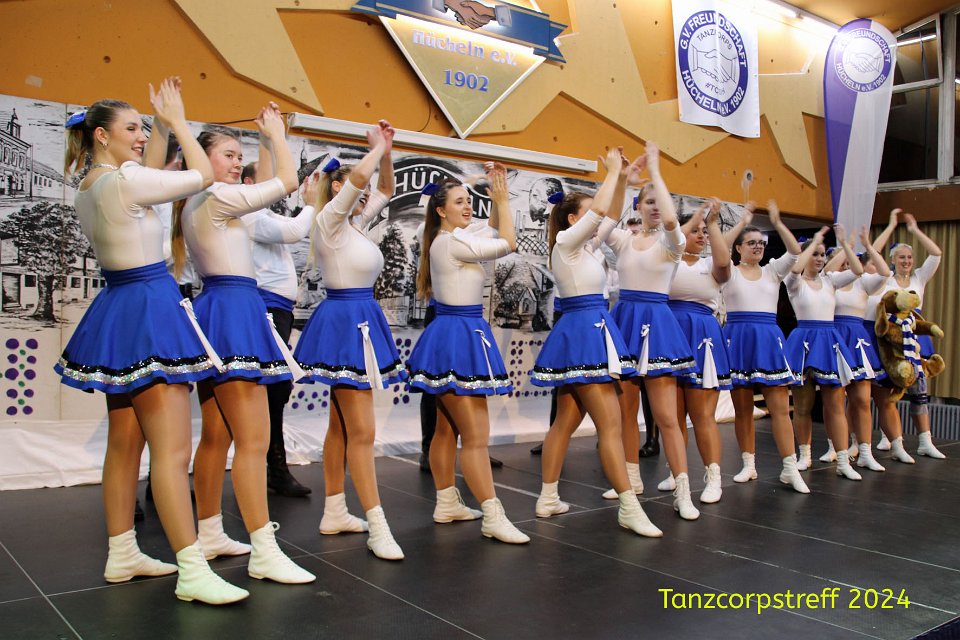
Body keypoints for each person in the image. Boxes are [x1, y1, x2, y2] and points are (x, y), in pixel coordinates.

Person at [56, 79, 248, 604]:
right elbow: (202, 174)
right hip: (149, 307)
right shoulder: (125, 181)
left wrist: (160, 125)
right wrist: (180, 122)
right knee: (171, 450)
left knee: (125, 443)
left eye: (143, 128)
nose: (140, 137)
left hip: (121, 304)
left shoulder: (91, 184)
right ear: (102, 135)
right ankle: (192, 569)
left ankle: (122, 552)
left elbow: (151, 166)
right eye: (132, 128)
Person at [174, 103, 315, 584]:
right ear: (203, 158)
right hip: (233, 312)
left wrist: (265, 141)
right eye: (229, 155)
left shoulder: (204, 199)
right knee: (253, 440)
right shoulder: (215, 197)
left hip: (224, 309)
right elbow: (286, 182)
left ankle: (210, 531)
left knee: (218, 436)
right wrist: (277, 135)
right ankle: (264, 549)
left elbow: (268, 185)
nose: (237, 163)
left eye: (240, 156)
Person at [530, 147, 661, 537]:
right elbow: (602, 210)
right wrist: (612, 171)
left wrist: (620, 179)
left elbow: (611, 212)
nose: (596, 219)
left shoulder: (583, 248)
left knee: (565, 423)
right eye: (587, 214)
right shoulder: (565, 243)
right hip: (584, 334)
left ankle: (547, 497)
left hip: (590, 331)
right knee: (611, 425)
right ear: (573, 219)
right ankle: (628, 506)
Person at [293, 121, 406, 560]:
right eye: (353, 189)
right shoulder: (330, 220)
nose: (363, 195)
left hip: (360, 318)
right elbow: (361, 179)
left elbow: (385, 187)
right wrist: (374, 149)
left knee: (341, 425)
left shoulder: (355, 223)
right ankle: (378, 524)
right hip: (345, 323)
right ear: (336, 188)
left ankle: (335, 510)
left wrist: (387, 151)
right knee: (362, 430)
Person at [406, 166, 529, 544]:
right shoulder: (450, 243)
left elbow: (492, 231)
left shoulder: (453, 238)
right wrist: (504, 201)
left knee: (446, 429)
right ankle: (493, 515)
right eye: (459, 202)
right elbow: (508, 242)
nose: (467, 206)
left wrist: (496, 199)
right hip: (458, 335)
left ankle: (446, 503)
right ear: (441, 210)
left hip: (458, 332)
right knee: (475, 437)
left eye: (468, 201)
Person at [599, 143, 699, 520]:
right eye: (649, 201)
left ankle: (683, 490)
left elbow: (672, 222)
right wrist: (622, 180)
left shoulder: (672, 243)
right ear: (638, 207)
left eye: (660, 201)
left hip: (658, 325)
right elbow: (607, 219)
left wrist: (656, 171)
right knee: (624, 414)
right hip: (625, 321)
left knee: (667, 416)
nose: (656, 207)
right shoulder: (623, 239)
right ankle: (631, 479)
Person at [240, 157, 315, 498]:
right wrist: (310, 204)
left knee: (277, 390)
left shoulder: (266, 215)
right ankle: (272, 468)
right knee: (268, 391)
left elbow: (295, 228)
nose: (278, 183)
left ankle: (275, 467)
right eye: (269, 177)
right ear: (248, 183)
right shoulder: (250, 214)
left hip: (277, 310)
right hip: (265, 308)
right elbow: (295, 231)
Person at [722, 201, 807, 492]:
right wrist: (741, 221)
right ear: (739, 248)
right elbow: (721, 246)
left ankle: (789, 468)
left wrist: (777, 221)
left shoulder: (772, 271)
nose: (758, 246)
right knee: (743, 408)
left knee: (780, 408)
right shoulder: (728, 271)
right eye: (752, 242)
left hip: (768, 339)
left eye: (761, 242)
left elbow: (795, 252)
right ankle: (748, 464)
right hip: (737, 339)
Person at [802, 226, 891, 472]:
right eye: (839, 260)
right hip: (833, 339)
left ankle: (864, 450)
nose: (843, 264)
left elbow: (884, 272)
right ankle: (834, 447)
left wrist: (866, 246)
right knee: (834, 399)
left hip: (856, 340)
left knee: (861, 399)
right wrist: (844, 245)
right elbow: (827, 269)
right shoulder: (828, 282)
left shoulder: (861, 283)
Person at [784, 225, 866, 482]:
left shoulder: (830, 281)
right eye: (815, 254)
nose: (819, 258)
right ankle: (804, 454)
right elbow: (795, 269)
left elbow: (858, 270)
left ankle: (842, 460)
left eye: (821, 254)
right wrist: (812, 244)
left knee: (836, 405)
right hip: (804, 341)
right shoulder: (795, 282)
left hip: (829, 340)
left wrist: (846, 245)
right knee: (803, 405)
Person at [668, 199, 736, 504]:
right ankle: (676, 472)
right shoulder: (667, 260)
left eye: (703, 232)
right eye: (694, 230)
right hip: (670, 334)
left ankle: (714, 477)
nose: (700, 236)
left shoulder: (710, 265)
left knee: (702, 414)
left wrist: (711, 223)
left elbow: (723, 262)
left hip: (702, 336)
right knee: (673, 415)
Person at [873, 214, 945, 459]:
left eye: (909, 257)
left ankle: (925, 441)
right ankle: (890, 437)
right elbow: (873, 252)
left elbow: (936, 254)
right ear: (892, 260)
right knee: (889, 390)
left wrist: (914, 230)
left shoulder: (918, 278)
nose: (906, 261)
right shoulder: (885, 279)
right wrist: (891, 226)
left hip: (914, 337)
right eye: (901, 257)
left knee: (919, 390)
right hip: (892, 340)